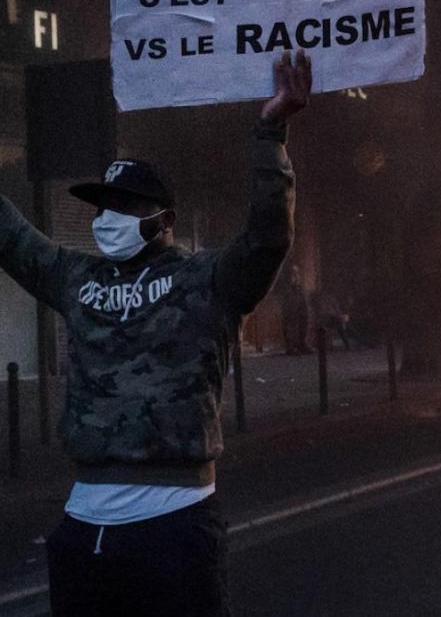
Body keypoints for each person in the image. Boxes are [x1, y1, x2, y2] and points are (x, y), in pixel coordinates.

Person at [0, 50, 312, 616]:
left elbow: (268, 238)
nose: (108, 217)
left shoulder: (205, 279)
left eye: (125, 205)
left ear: (164, 219)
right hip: (82, 531)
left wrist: (270, 131)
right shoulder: (77, 278)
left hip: (173, 527)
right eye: (102, 206)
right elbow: (10, 237)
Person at [280, 263, 312, 355]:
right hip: (289, 296)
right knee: (290, 322)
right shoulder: (285, 281)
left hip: (298, 294)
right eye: (294, 273)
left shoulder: (298, 283)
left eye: (297, 273)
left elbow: (297, 283)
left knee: (304, 319)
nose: (296, 275)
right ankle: (290, 347)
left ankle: (302, 343)